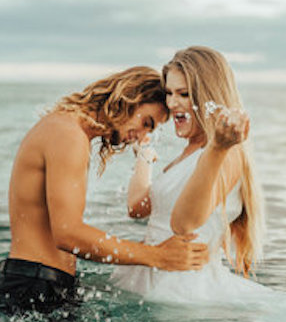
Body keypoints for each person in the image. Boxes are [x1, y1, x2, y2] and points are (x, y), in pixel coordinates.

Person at [0, 66, 210, 315]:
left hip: (38, 284)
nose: (141, 136)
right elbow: (67, 234)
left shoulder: (65, 128)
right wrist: (157, 256)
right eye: (146, 123)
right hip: (32, 289)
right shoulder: (68, 135)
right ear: (129, 97)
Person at [111, 47, 266, 302]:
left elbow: (183, 224)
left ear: (208, 95)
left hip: (183, 289)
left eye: (183, 94)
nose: (172, 103)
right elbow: (138, 208)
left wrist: (217, 147)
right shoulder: (189, 153)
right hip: (148, 275)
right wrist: (144, 153)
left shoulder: (226, 152)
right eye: (169, 93)